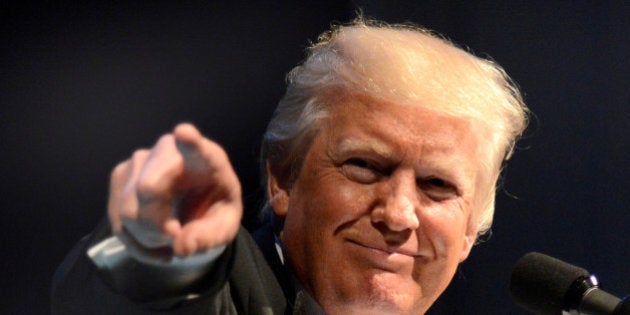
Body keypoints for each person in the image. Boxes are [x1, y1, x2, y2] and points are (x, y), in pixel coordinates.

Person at [52, 18, 529, 314]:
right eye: (364, 166)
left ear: (469, 230)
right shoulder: (227, 286)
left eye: (438, 186)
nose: (399, 214)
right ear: (282, 177)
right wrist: (156, 251)